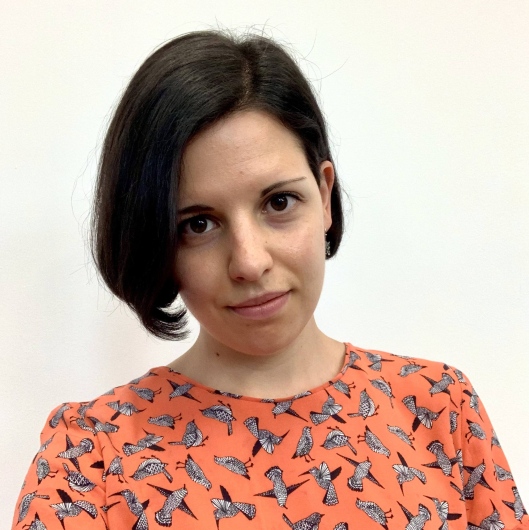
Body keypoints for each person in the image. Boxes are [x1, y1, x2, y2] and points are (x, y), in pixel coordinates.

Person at [12, 30, 527, 530]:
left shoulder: (438, 408)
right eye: (198, 224)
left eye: (279, 202)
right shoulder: (89, 457)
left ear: (324, 196)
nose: (250, 261)